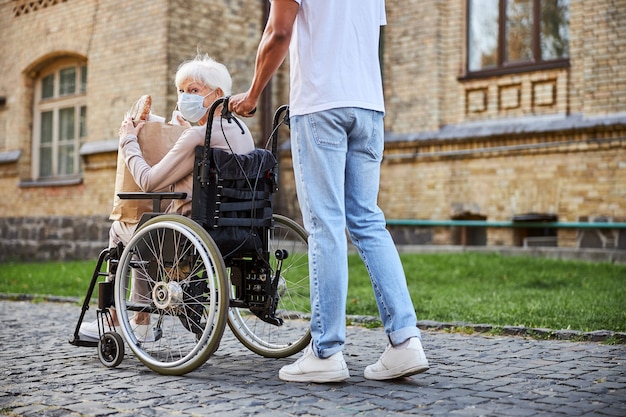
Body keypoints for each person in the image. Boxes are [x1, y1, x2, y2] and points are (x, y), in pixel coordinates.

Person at [229, 0, 429, 382]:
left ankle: (326, 352)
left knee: (326, 225)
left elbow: (278, 32)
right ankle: (405, 342)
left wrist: (253, 93)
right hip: (369, 107)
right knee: (368, 221)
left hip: (322, 105)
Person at [80, 54, 255, 342]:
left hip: (188, 233)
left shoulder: (196, 137)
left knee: (123, 228)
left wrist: (128, 141)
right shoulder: (240, 131)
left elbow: (148, 180)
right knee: (147, 226)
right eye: (181, 91)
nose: (185, 97)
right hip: (238, 228)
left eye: (194, 90)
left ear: (218, 94)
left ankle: (116, 316)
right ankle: (140, 318)